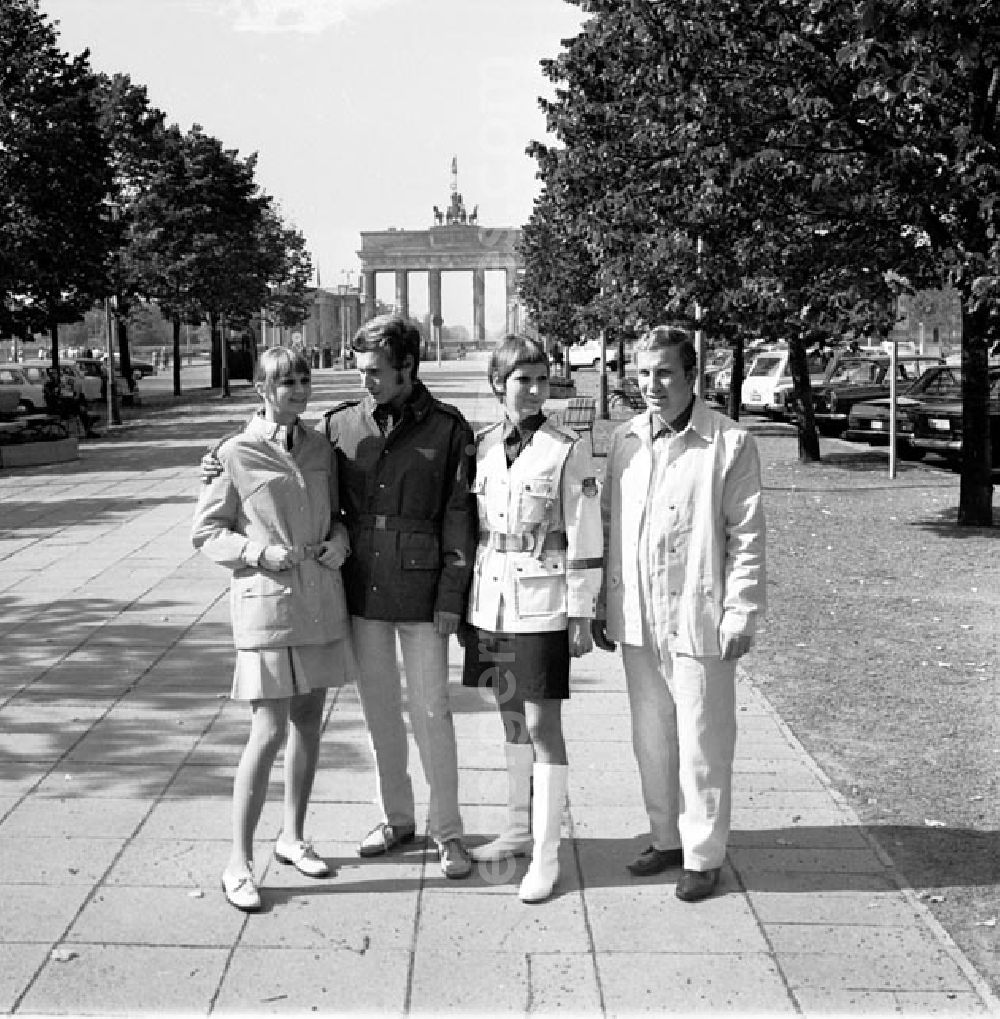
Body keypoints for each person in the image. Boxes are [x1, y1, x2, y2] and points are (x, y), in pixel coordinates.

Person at [592, 325, 766, 903]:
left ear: (693, 375)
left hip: (699, 616)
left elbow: (746, 536)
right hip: (638, 615)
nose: (652, 385)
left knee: (703, 740)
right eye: (643, 374)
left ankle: (703, 854)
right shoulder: (627, 441)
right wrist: (600, 600)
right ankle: (664, 836)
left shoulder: (728, 443)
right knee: (652, 738)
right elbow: (610, 526)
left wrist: (741, 611)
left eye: (664, 372)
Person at [192, 347, 352, 912]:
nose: (299, 390)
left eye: (305, 380)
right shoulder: (234, 453)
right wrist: (258, 553)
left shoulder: (320, 449)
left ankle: (292, 836)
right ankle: (237, 860)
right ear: (262, 388)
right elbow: (207, 533)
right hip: (266, 605)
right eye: (286, 382)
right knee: (267, 731)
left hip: (320, 601)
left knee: (309, 721)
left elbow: (337, 514)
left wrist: (339, 541)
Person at [321, 314, 477, 878]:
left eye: (377, 372)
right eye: (360, 369)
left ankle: (448, 830)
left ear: (408, 367)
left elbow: (460, 517)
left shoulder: (448, 429)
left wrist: (452, 597)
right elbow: (296, 470)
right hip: (363, 586)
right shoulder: (339, 425)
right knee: (378, 711)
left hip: (423, 592)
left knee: (432, 710)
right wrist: (223, 456)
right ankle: (396, 816)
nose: (365, 381)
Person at [462, 335, 602, 903]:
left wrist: (581, 609)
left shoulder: (567, 447)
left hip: (543, 604)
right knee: (511, 720)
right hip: (491, 599)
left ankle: (546, 856)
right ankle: (518, 829)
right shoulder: (484, 443)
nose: (536, 390)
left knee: (545, 729)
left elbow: (584, 529)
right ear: (499, 384)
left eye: (543, 379)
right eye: (523, 379)